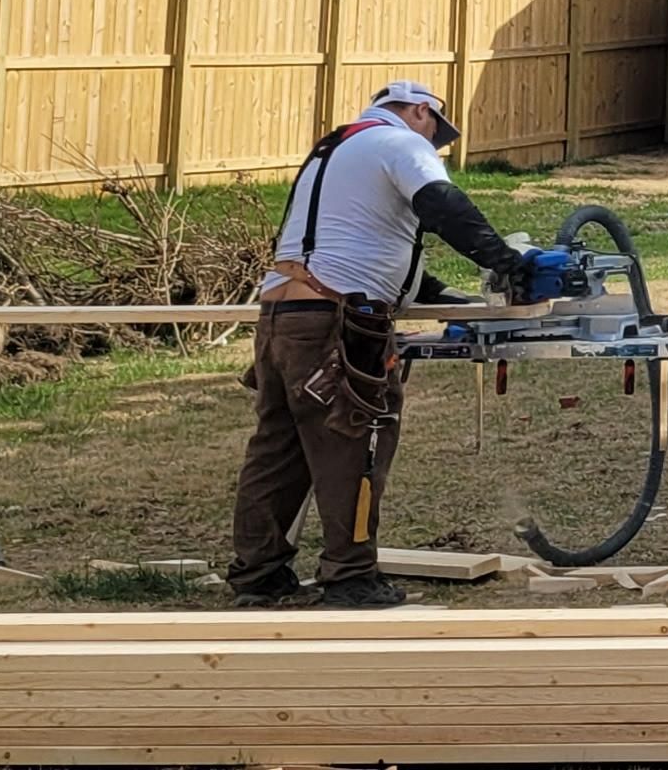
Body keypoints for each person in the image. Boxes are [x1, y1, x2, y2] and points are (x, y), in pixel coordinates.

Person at [226, 80, 530, 609]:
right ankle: (349, 576)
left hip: (282, 315)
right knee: (355, 440)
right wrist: (504, 262)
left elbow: (357, 235)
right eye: (435, 131)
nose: (434, 145)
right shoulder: (402, 142)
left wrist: (436, 291)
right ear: (419, 112)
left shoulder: (333, 149)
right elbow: (442, 204)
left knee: (278, 449)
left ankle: (259, 573)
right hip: (336, 323)